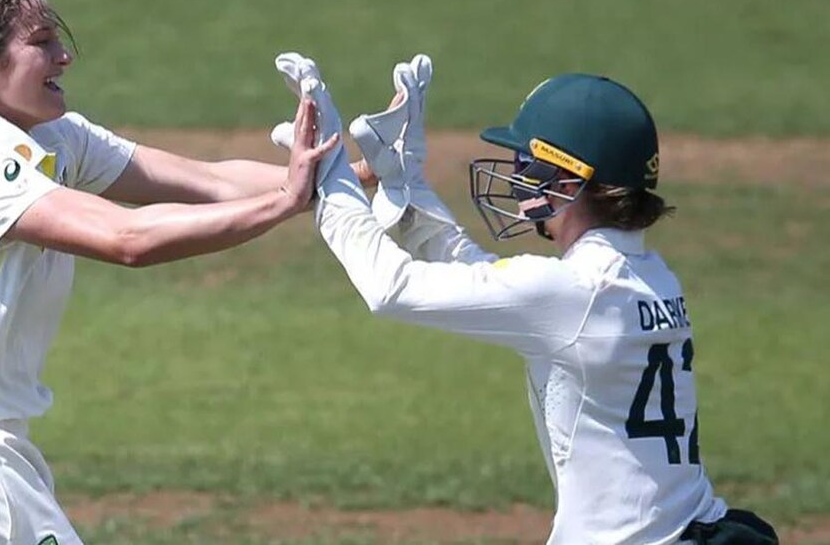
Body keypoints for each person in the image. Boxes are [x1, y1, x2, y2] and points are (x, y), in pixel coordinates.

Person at [0, 0, 358, 544]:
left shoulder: (53, 138)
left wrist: (347, 179)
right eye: (41, 42)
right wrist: (284, 204)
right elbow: (129, 240)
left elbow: (208, 180)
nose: (63, 56)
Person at [274, 52, 778, 544]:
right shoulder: (648, 276)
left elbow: (391, 288)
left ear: (571, 178)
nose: (516, 175)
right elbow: (495, 282)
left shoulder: (573, 292)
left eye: (528, 163)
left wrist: (332, 171)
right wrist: (410, 188)